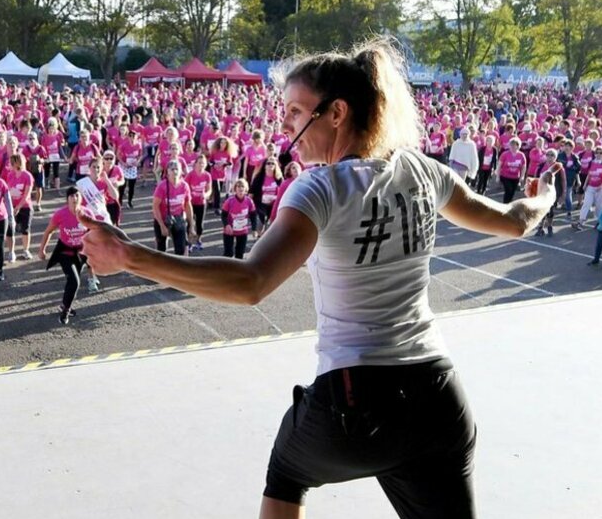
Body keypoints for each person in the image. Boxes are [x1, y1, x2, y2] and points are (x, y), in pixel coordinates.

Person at [83, 40, 557, 519]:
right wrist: (545, 197)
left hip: (354, 402)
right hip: (439, 397)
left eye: (294, 111)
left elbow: (251, 283)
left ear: (337, 113)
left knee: (288, 474)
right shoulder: (424, 171)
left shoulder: (320, 188)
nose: (286, 125)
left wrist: (130, 256)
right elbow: (515, 220)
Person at [39, 187, 92, 324]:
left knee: (72, 282)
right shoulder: (60, 214)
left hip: (80, 253)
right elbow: (48, 231)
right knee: (75, 281)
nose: (75, 199)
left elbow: (94, 233)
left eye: (77, 196)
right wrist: (42, 250)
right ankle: (65, 312)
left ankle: (65, 304)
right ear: (67, 199)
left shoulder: (87, 213)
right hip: (64, 252)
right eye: (72, 196)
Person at [153, 159, 193, 255]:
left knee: (180, 249)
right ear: (167, 172)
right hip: (163, 218)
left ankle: (176, 269)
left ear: (181, 172)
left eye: (177, 169)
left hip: (178, 219)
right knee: (161, 249)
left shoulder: (184, 186)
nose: (175, 171)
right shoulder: (162, 186)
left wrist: (191, 225)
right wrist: (162, 226)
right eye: (172, 169)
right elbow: (155, 206)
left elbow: (188, 205)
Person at [219, 178, 256, 259]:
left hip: (242, 231)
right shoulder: (229, 201)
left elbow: (253, 215)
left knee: (240, 254)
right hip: (229, 231)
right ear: (235, 189)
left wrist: (254, 229)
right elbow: (223, 215)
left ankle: (236, 271)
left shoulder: (249, 201)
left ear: (246, 189)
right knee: (228, 253)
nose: (240, 188)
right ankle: (224, 270)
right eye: (238, 186)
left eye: (242, 186)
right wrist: (227, 225)